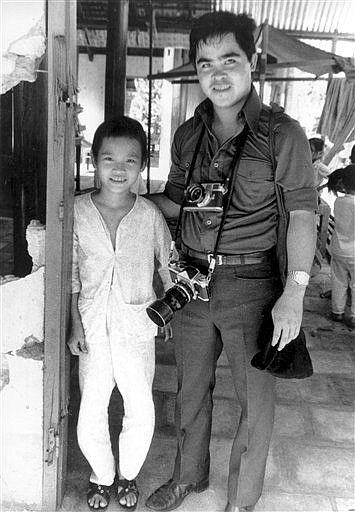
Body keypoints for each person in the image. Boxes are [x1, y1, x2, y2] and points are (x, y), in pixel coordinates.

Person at [145, 11, 317, 512]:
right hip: (194, 282)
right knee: (189, 391)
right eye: (204, 64)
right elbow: (176, 203)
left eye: (229, 60)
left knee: (254, 401)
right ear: (195, 71)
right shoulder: (188, 134)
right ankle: (188, 478)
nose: (217, 75)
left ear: (252, 61)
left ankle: (241, 500)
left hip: (253, 285)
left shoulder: (282, 134)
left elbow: (303, 215)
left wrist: (296, 294)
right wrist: (112, 199)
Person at [67, 116, 173, 511]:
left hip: (136, 327)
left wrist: (167, 313)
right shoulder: (76, 211)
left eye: (130, 160)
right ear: (94, 160)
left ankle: (128, 474)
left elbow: (169, 266)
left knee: (140, 405)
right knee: (91, 406)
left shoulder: (148, 215)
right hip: (92, 327)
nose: (118, 168)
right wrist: (74, 325)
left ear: (142, 166)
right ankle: (101, 476)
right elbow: (71, 275)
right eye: (109, 158)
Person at [328, 165, 355, 328]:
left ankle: (337, 311)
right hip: (354, 252)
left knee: (339, 281)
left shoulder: (339, 201)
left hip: (338, 249)